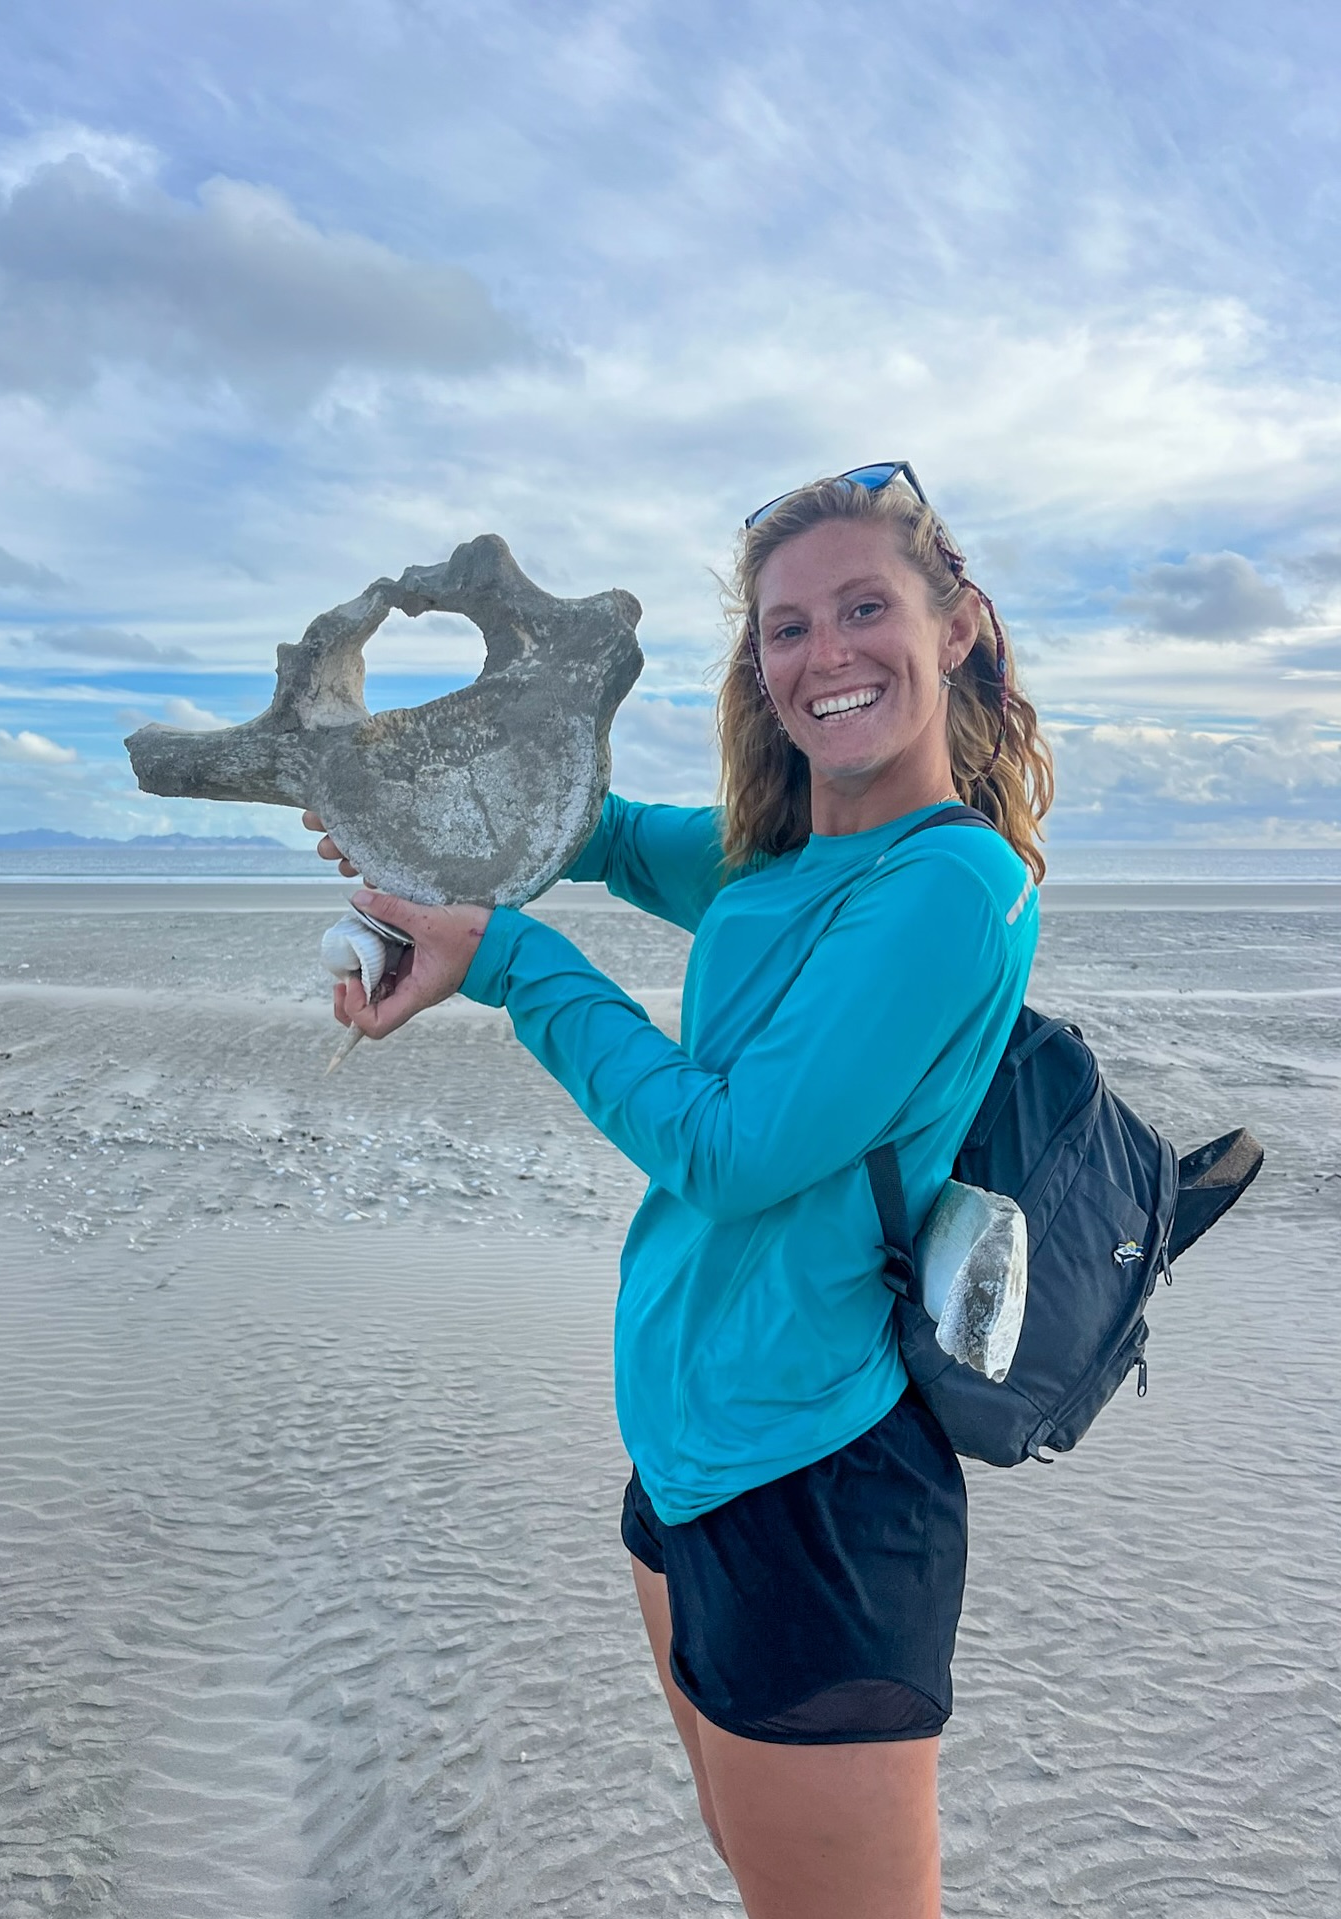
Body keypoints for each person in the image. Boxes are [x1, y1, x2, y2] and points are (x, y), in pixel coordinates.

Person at [303, 463, 1052, 1919]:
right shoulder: (781, 857)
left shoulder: (947, 887)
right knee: (752, 1860)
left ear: (955, 625)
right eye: (787, 628)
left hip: (816, 1487)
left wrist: (505, 960)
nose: (826, 655)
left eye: (864, 609)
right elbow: (592, 831)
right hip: (686, 1457)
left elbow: (730, 1151)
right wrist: (404, 810)